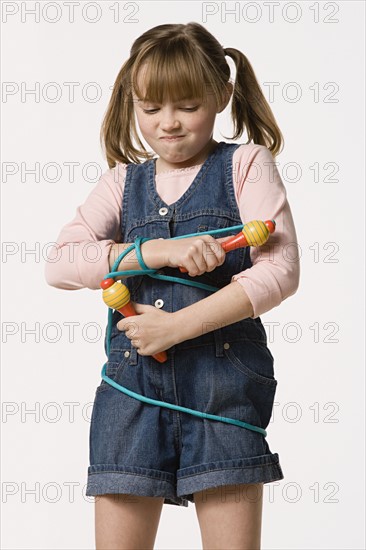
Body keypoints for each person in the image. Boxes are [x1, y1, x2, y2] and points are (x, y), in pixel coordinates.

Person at [45, 22, 300, 550]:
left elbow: (280, 270)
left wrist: (178, 326)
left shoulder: (247, 164)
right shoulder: (121, 183)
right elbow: (60, 263)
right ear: (131, 102)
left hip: (222, 386)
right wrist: (154, 251)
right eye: (150, 108)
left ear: (221, 96)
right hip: (131, 393)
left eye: (186, 105)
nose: (168, 125)